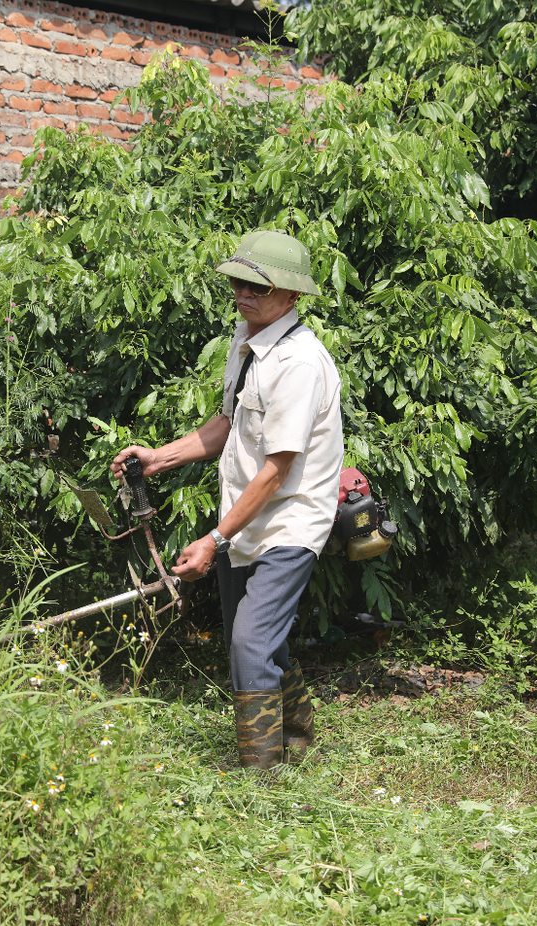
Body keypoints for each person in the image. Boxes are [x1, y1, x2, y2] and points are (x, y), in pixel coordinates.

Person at [112, 230, 343, 769]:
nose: (244, 295)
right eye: (239, 283)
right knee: (262, 640)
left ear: (292, 298)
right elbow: (227, 424)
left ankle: (261, 781)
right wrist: (159, 457)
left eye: (258, 288)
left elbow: (277, 471)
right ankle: (300, 743)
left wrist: (214, 539)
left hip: (288, 520)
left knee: (248, 643)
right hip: (246, 519)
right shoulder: (248, 343)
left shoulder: (299, 363)